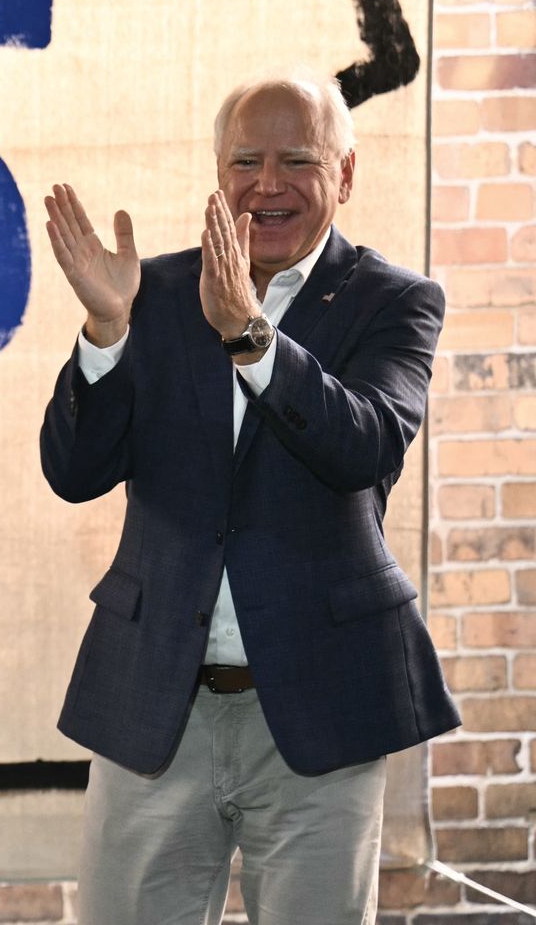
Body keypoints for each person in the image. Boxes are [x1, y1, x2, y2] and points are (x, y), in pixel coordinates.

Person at [39, 69, 458, 923]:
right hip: (156, 697)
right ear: (218, 172)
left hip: (321, 705)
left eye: (296, 161)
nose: (267, 185)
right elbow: (73, 473)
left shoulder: (395, 301)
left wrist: (248, 333)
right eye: (246, 162)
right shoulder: (149, 294)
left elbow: (364, 445)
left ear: (344, 174)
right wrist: (106, 333)